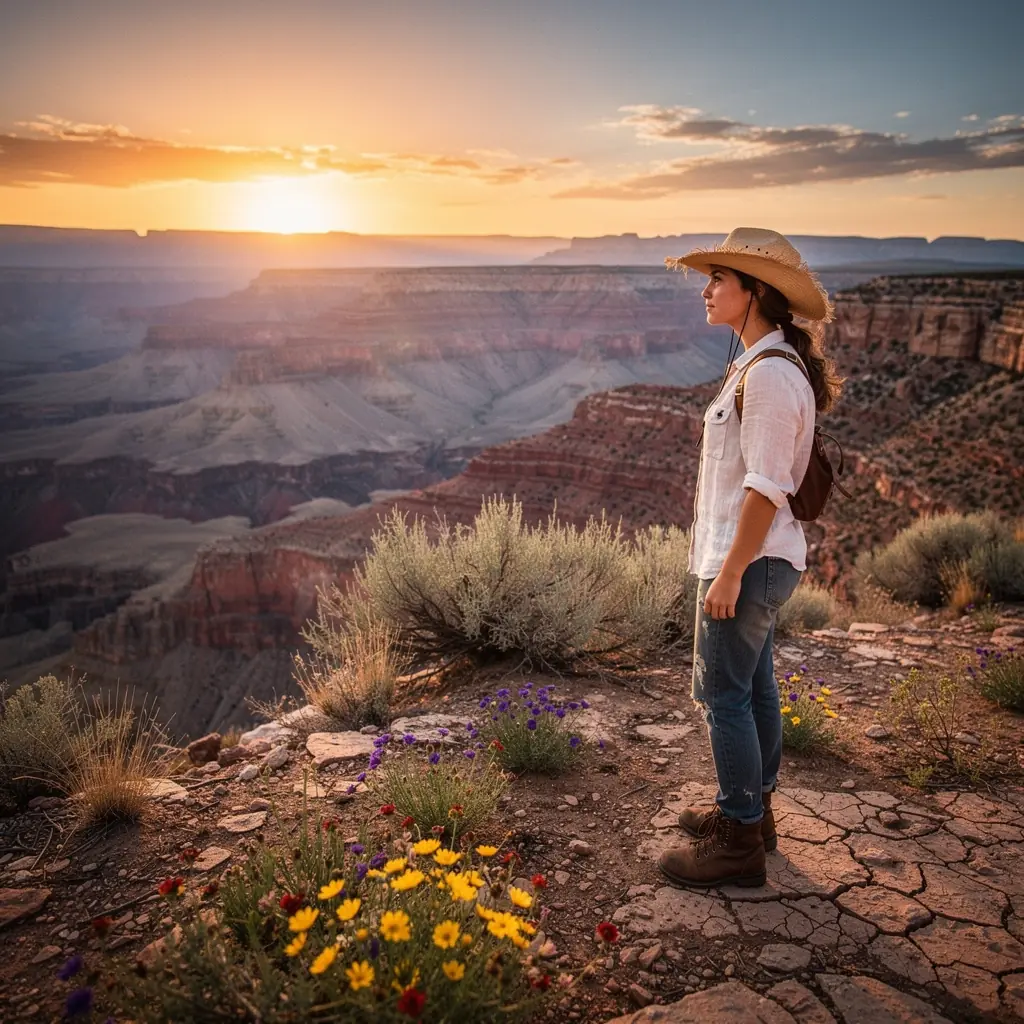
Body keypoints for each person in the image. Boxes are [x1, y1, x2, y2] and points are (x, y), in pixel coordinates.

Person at [657, 227, 844, 889]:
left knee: (723, 697)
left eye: (718, 281)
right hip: (762, 559)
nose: (706, 291)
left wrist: (730, 570)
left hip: (752, 559)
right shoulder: (761, 363)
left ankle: (737, 841)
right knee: (755, 685)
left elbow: (766, 485)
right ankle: (754, 813)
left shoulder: (766, 375)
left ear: (754, 292)